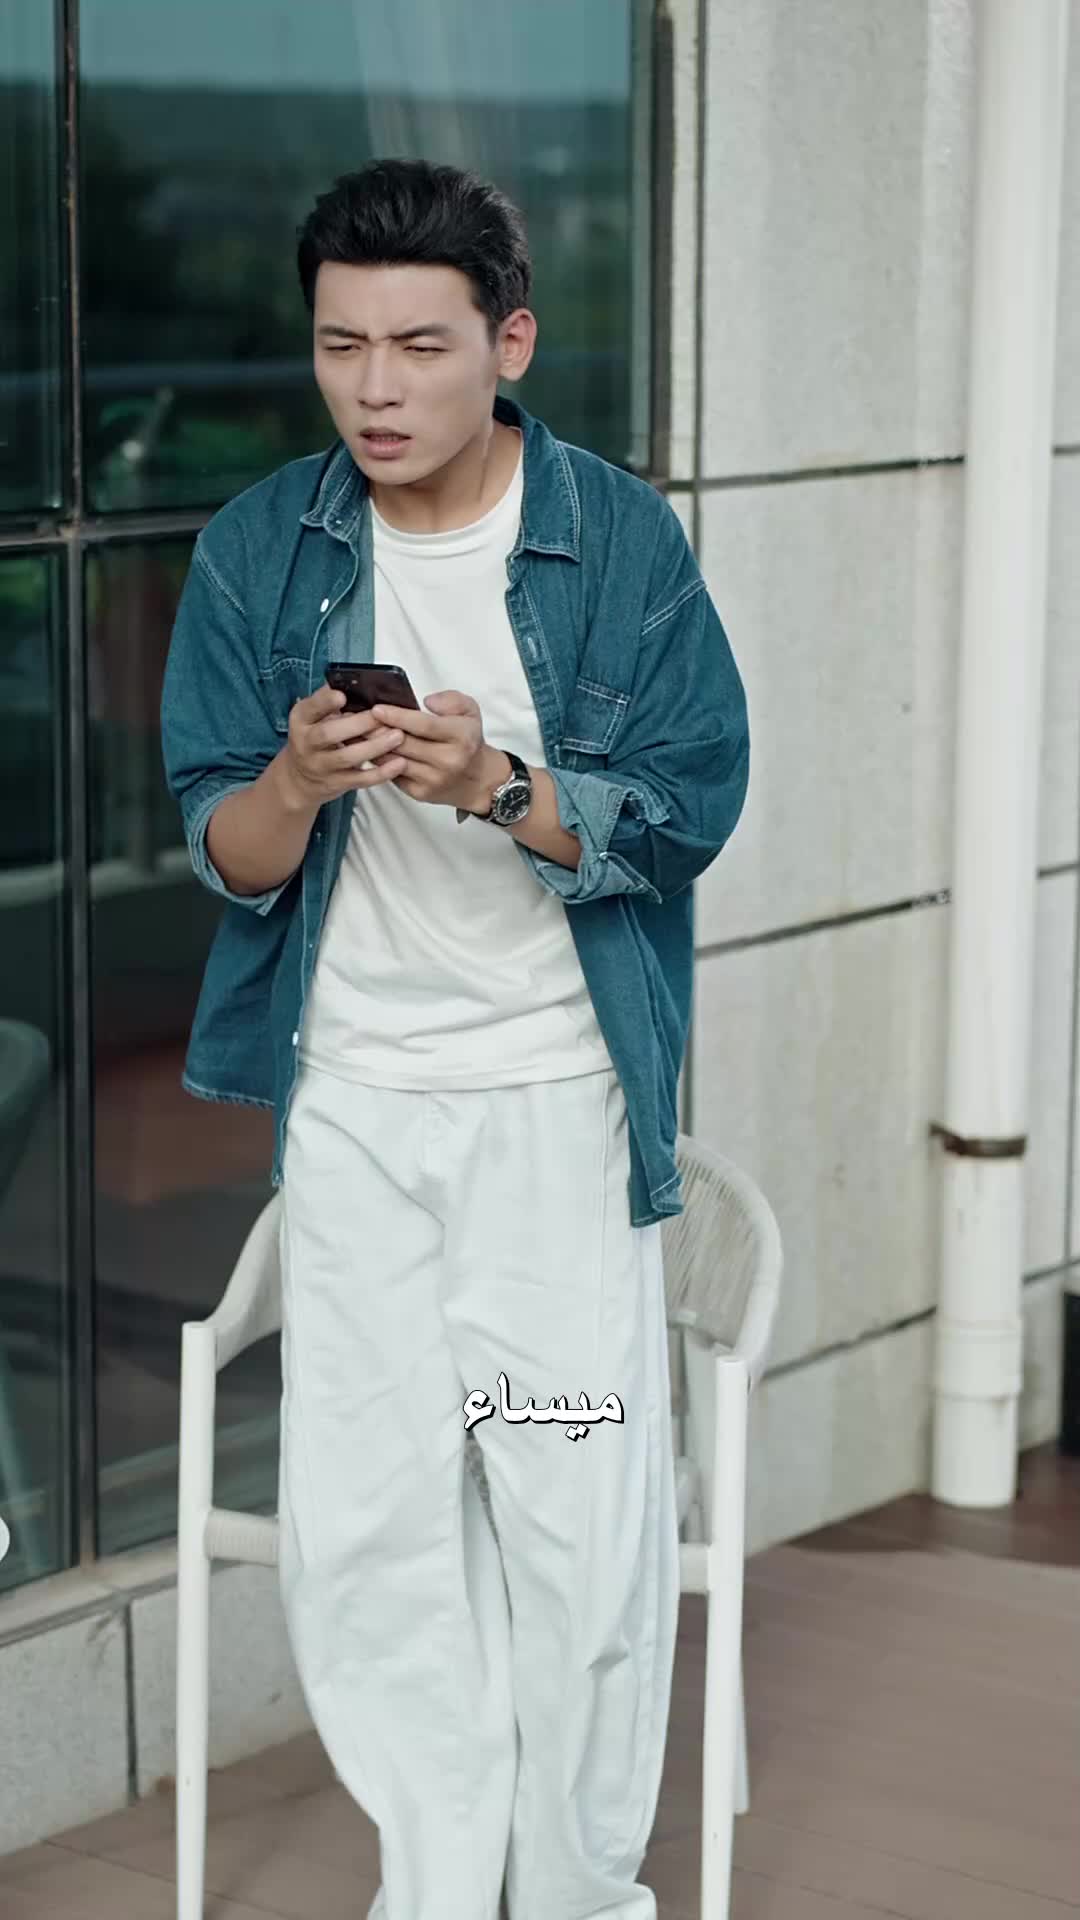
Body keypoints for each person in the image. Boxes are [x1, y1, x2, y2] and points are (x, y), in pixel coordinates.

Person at [161, 158, 749, 1920]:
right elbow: (225, 852)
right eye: (341, 345)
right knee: (370, 1533)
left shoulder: (616, 541)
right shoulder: (260, 547)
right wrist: (296, 781)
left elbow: (690, 813)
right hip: (354, 1112)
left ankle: (575, 1895)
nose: (376, 389)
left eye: (419, 346)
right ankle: (433, 1884)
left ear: (510, 342)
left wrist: (498, 783)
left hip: (553, 1109)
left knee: (574, 1516)